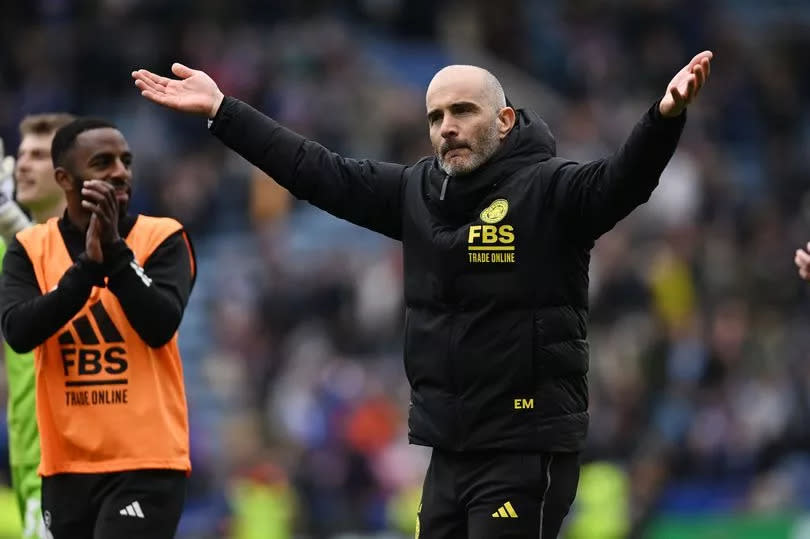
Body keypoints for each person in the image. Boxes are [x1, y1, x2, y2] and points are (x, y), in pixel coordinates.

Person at [133, 50, 713, 538]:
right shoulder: (417, 191)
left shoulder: (550, 191)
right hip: (447, 451)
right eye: (436, 116)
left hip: (524, 448)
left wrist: (664, 117)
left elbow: (622, 182)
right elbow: (317, 171)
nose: (446, 127)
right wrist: (223, 112)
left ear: (506, 120)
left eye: (463, 111)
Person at [0, 117, 197, 538]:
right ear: (65, 178)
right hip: (65, 468)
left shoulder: (162, 237)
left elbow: (160, 323)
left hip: (146, 465)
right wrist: (87, 270)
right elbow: (18, 331)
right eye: (103, 162)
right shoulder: (29, 249)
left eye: (126, 161)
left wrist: (115, 254)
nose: (120, 171)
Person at [0, 113, 75, 539]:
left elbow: (71, 293)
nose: (22, 164)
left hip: (74, 463)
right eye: (20, 154)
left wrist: (15, 228)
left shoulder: (104, 244)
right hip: (28, 457)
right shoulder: (7, 245)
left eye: (38, 155)